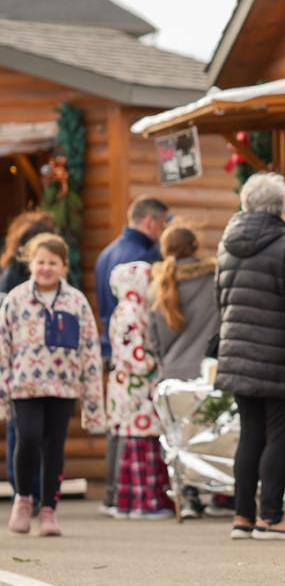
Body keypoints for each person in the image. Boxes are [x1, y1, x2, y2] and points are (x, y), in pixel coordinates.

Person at [215, 172, 285, 540]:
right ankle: (273, 518)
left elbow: (222, 300)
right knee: (280, 436)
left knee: (251, 435)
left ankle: (243, 517)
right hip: (280, 356)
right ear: (280, 207)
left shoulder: (226, 246)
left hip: (238, 352)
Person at [0, 233, 103, 537]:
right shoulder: (16, 299)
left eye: (52, 263)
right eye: (40, 262)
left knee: (54, 446)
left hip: (64, 386)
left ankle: (49, 510)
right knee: (28, 438)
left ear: (63, 266)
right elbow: (3, 346)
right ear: (30, 263)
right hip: (25, 385)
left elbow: (90, 349)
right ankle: (23, 500)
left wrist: (92, 398)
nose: (46, 268)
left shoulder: (76, 301)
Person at [94, 195, 169, 515]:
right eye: (162, 223)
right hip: (137, 368)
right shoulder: (145, 257)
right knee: (139, 438)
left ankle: (115, 494)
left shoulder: (106, 254)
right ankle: (138, 497)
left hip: (115, 356)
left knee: (120, 432)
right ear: (150, 222)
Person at [145, 221, 222, 519]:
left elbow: (153, 338)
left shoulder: (158, 285)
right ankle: (217, 493)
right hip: (208, 371)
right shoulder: (213, 279)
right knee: (213, 436)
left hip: (172, 376)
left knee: (179, 440)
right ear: (195, 247)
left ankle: (187, 497)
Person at [108, 260, 173, 519]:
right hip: (136, 390)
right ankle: (142, 502)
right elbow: (134, 354)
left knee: (141, 441)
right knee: (141, 443)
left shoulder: (132, 309)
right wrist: (154, 366)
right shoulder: (131, 312)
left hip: (133, 389)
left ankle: (134, 500)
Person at [1, 209, 57, 501]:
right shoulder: (14, 279)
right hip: (23, 365)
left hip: (48, 366)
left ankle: (35, 491)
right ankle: (25, 490)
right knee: (23, 431)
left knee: (36, 432)